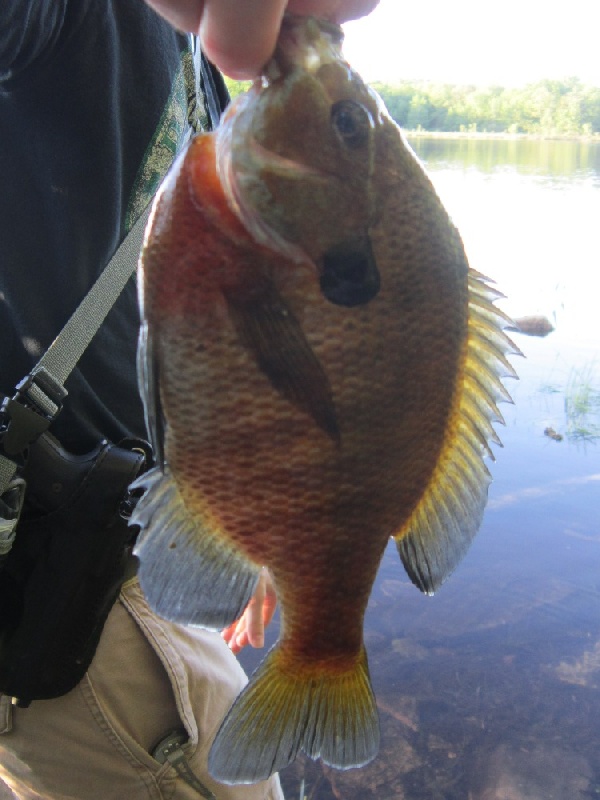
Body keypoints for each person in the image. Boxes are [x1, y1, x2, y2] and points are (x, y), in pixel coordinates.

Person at [0, 1, 377, 798]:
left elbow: (289, 382)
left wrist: (265, 545)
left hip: (137, 525)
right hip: (74, 572)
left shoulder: (202, 55)